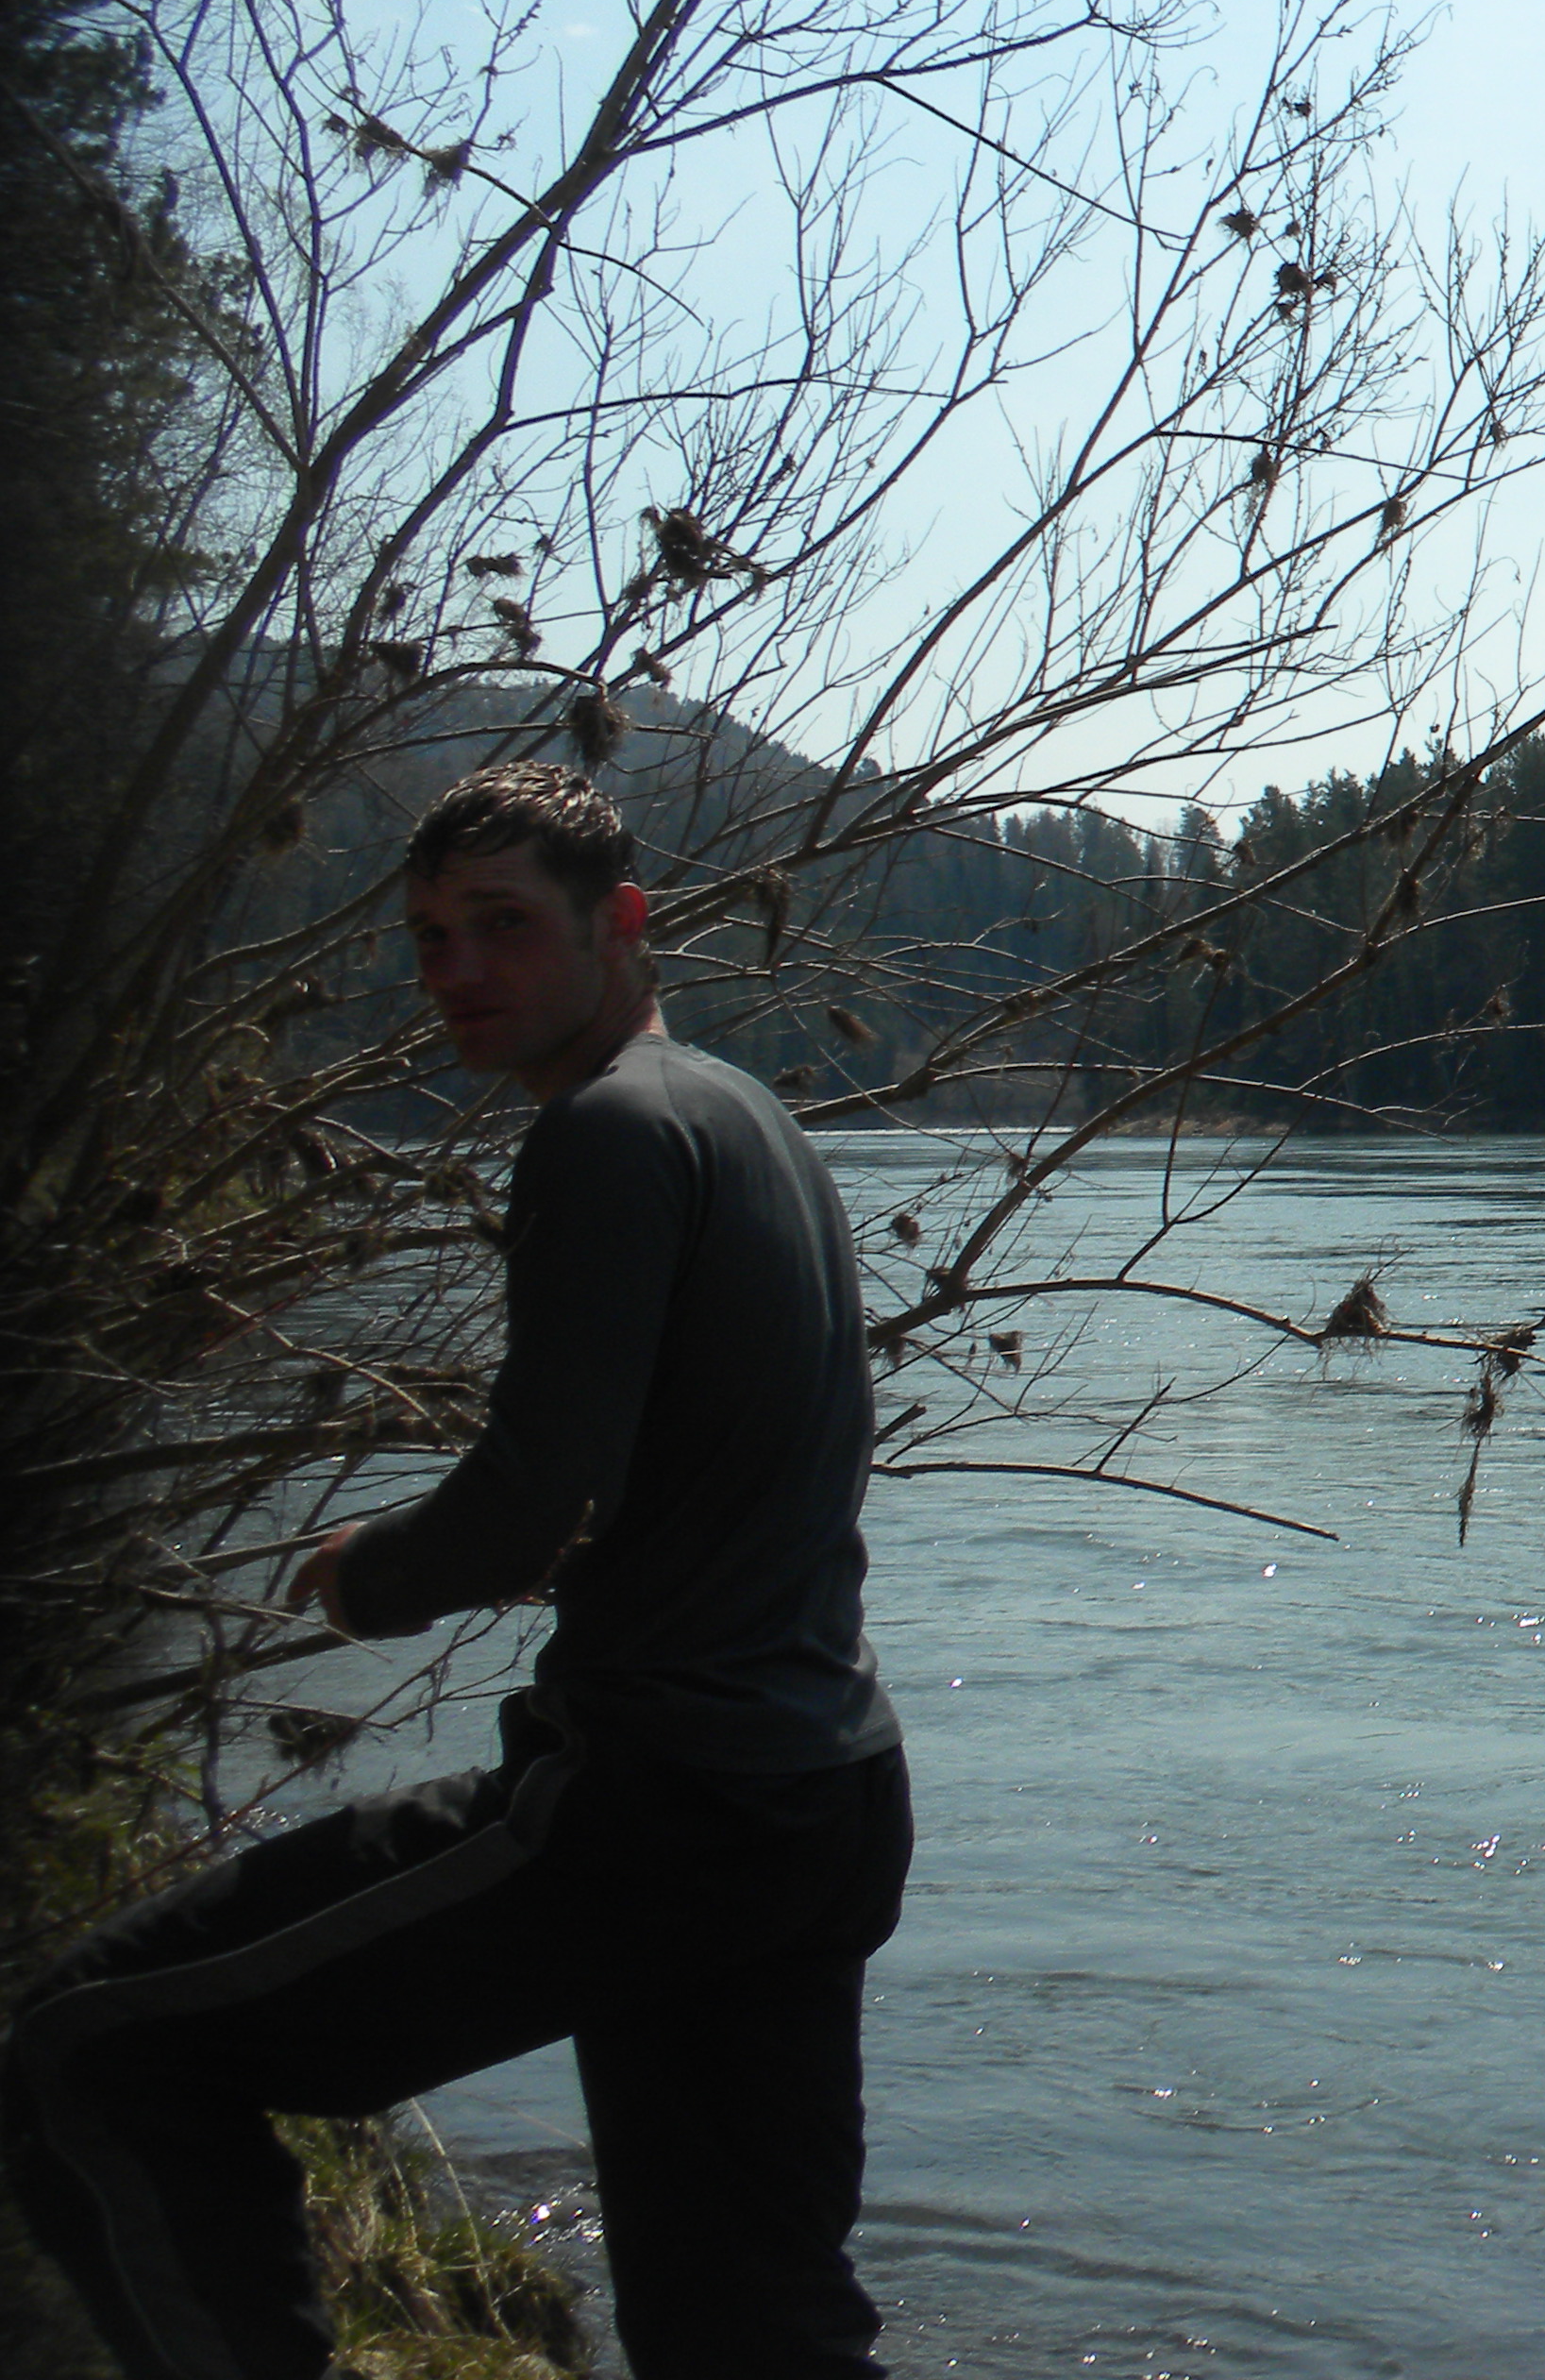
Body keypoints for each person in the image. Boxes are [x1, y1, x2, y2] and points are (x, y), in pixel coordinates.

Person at [3, 764, 910, 2378]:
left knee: (93, 2051)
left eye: (503, 925)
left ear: (621, 923)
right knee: (751, 2330)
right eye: (430, 937)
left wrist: (370, 1575)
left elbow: (540, 1500)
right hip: (821, 1793)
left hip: (658, 1805)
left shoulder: (606, 1134)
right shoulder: (740, 1112)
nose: (459, 970)